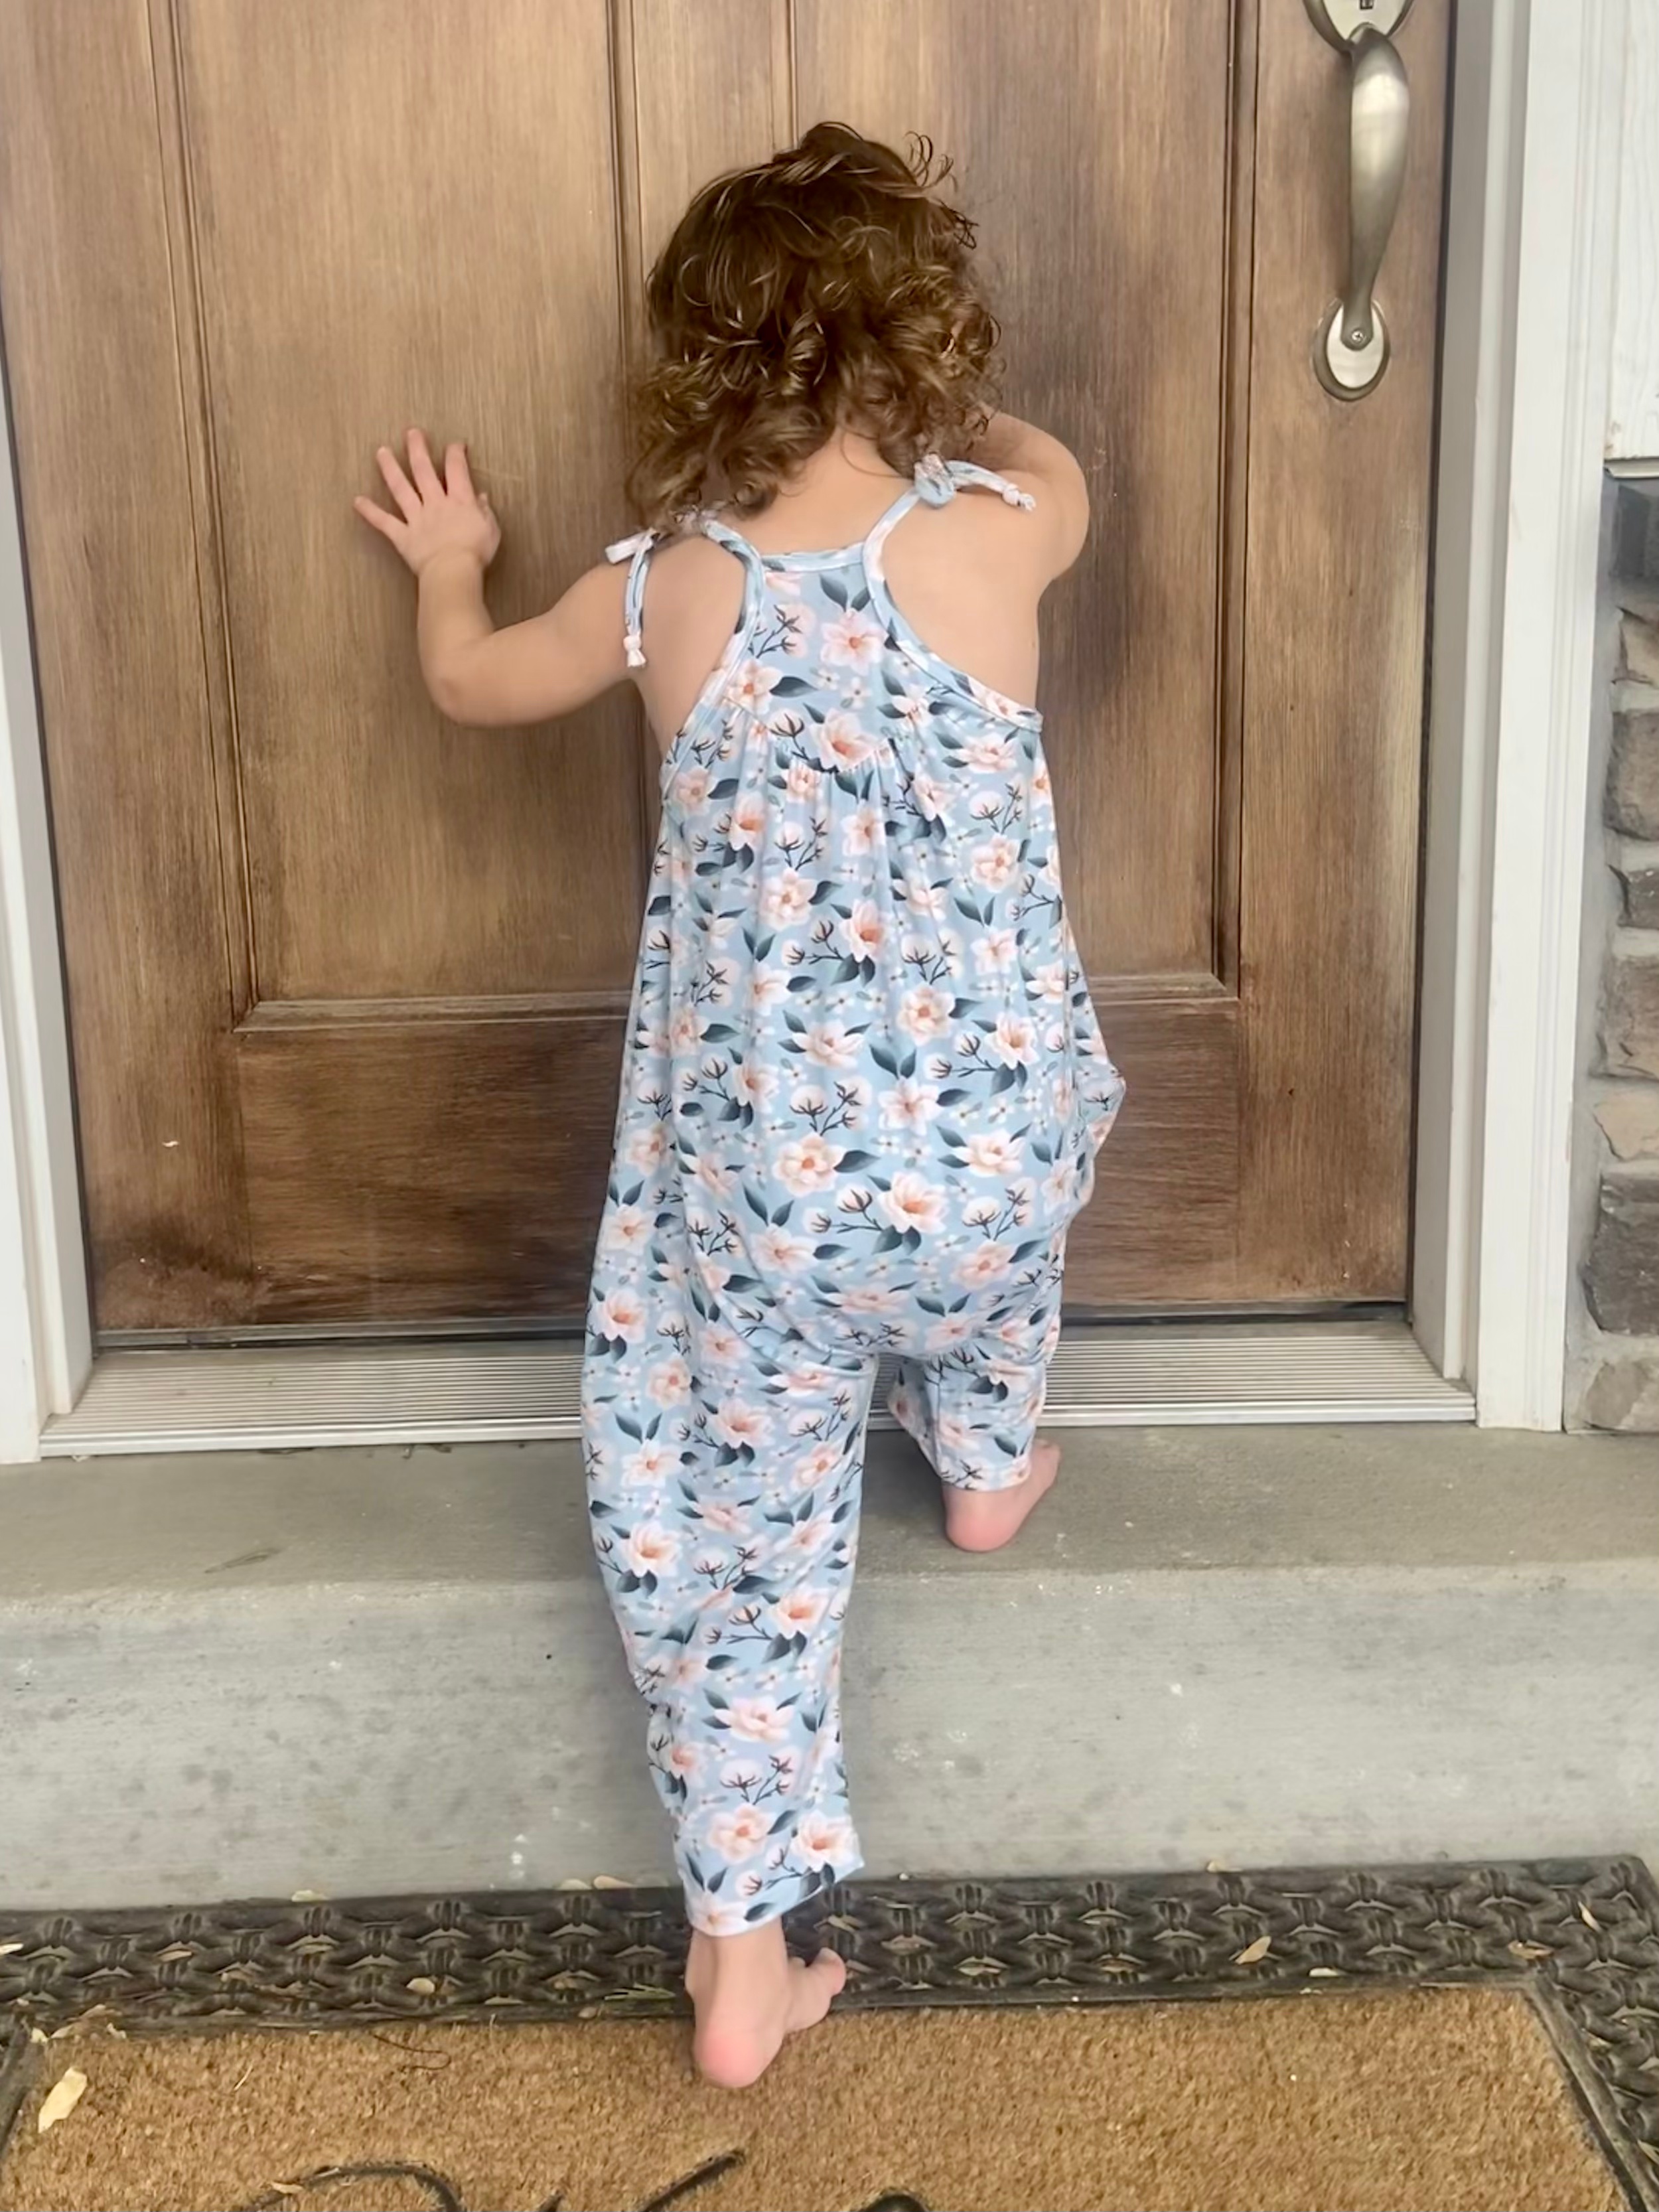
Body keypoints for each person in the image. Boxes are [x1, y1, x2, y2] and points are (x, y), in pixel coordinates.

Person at [354, 120, 1124, 2089]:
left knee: (736, 1547)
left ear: (699, 366)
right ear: (920, 342)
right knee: (1022, 1155)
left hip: (768, 1203)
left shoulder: (662, 590)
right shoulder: (997, 527)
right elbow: (1060, 469)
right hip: (987, 1168)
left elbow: (468, 687)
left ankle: (741, 1956)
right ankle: (987, 1464)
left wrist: (447, 572)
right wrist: (948, 410)